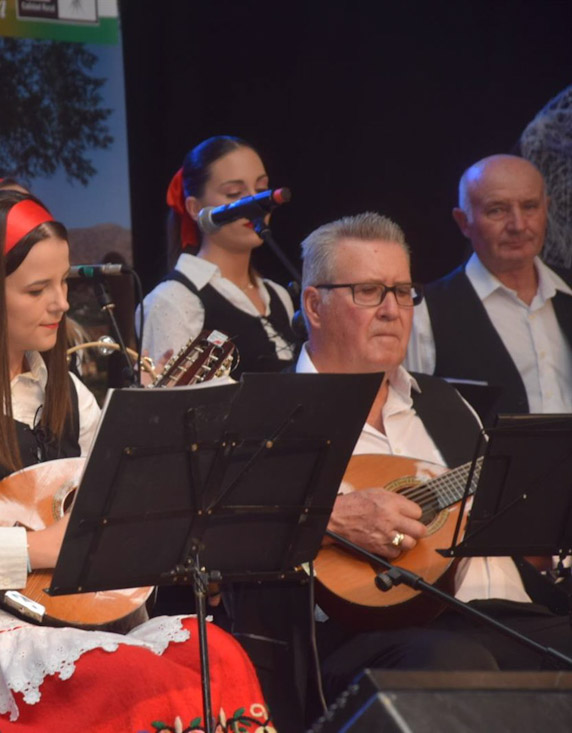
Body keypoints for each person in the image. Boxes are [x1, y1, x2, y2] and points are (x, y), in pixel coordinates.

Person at [0, 190, 270, 732]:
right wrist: (31, 548)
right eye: (37, 289)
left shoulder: (68, 392)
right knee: (133, 680)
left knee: (217, 653)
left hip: (69, 623)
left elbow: (114, 503)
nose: (60, 303)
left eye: (63, 284)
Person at [230, 212, 572, 729]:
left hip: (512, 615)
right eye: (369, 291)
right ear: (314, 305)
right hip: (365, 638)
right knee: (455, 666)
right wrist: (330, 516)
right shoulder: (264, 413)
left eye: (404, 291)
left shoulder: (446, 403)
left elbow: (512, 527)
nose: (393, 310)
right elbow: (219, 526)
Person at [406, 154, 572, 416]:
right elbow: (409, 419)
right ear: (463, 222)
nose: (518, 225)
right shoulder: (424, 313)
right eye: (497, 210)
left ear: (546, 209)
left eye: (530, 207)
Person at [140, 136, 297, 376]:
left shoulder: (279, 295)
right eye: (234, 194)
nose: (254, 204)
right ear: (194, 208)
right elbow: (173, 405)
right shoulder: (173, 300)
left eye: (261, 190)